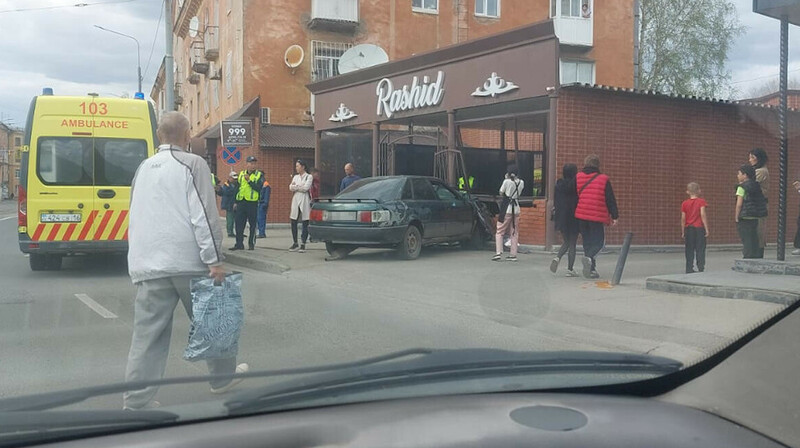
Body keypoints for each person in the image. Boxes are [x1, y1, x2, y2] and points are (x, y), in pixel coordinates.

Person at [124, 112, 248, 410]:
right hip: (188, 263)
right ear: (187, 134)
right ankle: (221, 380)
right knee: (214, 322)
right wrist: (215, 259)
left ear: (158, 135)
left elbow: (136, 213)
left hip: (148, 265)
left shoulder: (142, 168)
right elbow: (204, 214)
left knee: (147, 336)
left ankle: (136, 401)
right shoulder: (193, 164)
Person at [575, 154, 619, 279]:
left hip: (581, 215)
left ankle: (591, 269)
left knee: (587, 242)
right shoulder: (603, 179)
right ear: (597, 165)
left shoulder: (578, 177)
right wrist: (615, 215)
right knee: (599, 243)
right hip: (596, 216)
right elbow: (610, 199)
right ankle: (589, 258)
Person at [550, 163, 579, 277]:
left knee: (566, 241)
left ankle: (557, 257)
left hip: (561, 217)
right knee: (572, 243)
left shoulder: (558, 185)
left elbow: (556, 201)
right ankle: (570, 269)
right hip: (574, 216)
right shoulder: (576, 185)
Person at [230, 156, 263, 251]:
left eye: (254, 163)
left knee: (252, 224)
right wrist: (235, 201)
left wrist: (249, 181)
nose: (253, 165)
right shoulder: (241, 174)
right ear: (247, 164)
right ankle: (239, 244)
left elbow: (258, 188)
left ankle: (251, 243)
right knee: (239, 224)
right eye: (251, 163)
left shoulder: (259, 175)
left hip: (252, 203)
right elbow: (237, 188)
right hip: (241, 202)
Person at [735, 164, 768, 259]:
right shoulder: (756, 186)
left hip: (745, 216)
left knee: (746, 238)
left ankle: (747, 256)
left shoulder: (741, 187)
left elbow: (739, 204)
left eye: (739, 173)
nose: (737, 175)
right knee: (754, 237)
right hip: (755, 215)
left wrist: (737, 216)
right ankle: (755, 255)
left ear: (745, 175)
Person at [493, 168, 524, 262]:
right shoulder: (521, 182)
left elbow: (501, 192)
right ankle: (513, 254)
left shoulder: (506, 181)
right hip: (516, 208)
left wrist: (506, 179)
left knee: (500, 230)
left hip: (506, 208)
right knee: (514, 231)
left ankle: (498, 252)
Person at [681, 182, 709, 273]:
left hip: (689, 228)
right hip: (699, 228)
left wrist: (683, 230)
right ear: (699, 191)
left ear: (687, 192)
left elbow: (683, 218)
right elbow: (702, 214)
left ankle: (689, 268)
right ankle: (701, 267)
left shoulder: (684, 203)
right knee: (700, 248)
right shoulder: (701, 202)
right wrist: (706, 228)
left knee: (689, 249)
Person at [748, 148, 769, 258]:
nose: (750, 160)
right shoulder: (756, 171)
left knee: (759, 228)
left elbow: (749, 183)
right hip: (754, 203)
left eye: (752, 157)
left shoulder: (761, 171)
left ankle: (758, 252)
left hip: (759, 203)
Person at [289, 159, 313, 253]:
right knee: (293, 220)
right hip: (296, 198)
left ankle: (303, 243)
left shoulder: (309, 176)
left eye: (298, 166)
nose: (296, 168)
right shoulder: (295, 177)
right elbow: (290, 187)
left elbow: (306, 188)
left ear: (303, 167)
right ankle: (295, 242)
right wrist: (298, 186)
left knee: (305, 221)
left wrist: (296, 186)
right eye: (296, 166)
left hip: (304, 198)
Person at [216, 171, 238, 237]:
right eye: (234, 179)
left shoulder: (237, 185)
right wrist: (218, 190)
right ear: (229, 178)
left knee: (237, 219)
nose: (235, 180)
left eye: (236, 179)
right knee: (230, 219)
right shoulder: (226, 185)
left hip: (236, 204)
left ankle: (237, 232)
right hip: (229, 205)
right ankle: (230, 232)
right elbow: (224, 193)